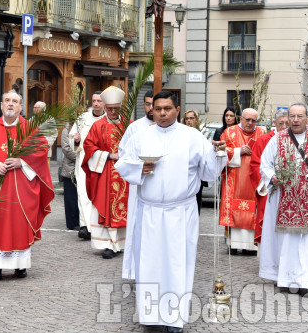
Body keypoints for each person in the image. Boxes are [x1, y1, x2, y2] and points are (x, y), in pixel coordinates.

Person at [115, 91, 226, 333]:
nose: (163, 113)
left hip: (181, 212)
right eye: (158, 109)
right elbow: (122, 163)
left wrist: (219, 153)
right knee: (149, 264)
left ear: (177, 110)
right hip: (149, 211)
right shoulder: (140, 136)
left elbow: (209, 172)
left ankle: (174, 318)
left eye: (168, 108)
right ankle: (150, 315)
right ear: (151, 111)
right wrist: (139, 167)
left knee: (179, 264)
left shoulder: (193, 137)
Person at [0, 90, 54, 283]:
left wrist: (21, 161)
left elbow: (41, 151)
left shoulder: (31, 129)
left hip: (22, 188)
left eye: (14, 101)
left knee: (19, 222)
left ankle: (19, 264)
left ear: (20, 106)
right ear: (1, 105)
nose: (10, 104)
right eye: (7, 100)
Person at [259, 103, 308, 298]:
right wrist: (272, 177)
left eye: (300, 116)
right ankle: (284, 279)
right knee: (285, 241)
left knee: (307, 241)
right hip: (284, 197)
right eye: (292, 116)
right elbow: (265, 164)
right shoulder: (277, 139)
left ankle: (305, 283)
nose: (295, 120)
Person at [81, 86, 131, 259]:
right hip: (105, 173)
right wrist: (109, 155)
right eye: (109, 109)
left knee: (124, 208)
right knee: (106, 208)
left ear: (120, 108)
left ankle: (121, 243)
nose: (111, 112)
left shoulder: (129, 125)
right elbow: (88, 147)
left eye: (115, 109)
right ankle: (109, 244)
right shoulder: (98, 125)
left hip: (125, 175)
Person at [219, 107, 266, 255]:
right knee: (234, 209)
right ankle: (234, 244)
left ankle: (251, 246)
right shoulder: (229, 132)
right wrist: (238, 151)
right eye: (247, 119)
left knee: (253, 210)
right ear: (240, 119)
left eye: (254, 120)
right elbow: (220, 152)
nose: (250, 123)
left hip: (254, 181)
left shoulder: (262, 133)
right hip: (235, 179)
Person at [117, 90, 154, 279]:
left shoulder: (174, 129)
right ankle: (134, 270)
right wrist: (139, 167)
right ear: (144, 105)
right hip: (139, 185)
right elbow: (123, 154)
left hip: (163, 188)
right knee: (137, 225)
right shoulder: (136, 128)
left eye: (155, 104)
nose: (152, 108)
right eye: (148, 104)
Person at [68, 91, 106, 240]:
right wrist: (76, 140)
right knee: (83, 192)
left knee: (98, 192)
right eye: (94, 100)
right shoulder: (82, 118)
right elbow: (72, 139)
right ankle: (85, 226)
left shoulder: (108, 119)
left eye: (99, 101)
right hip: (84, 160)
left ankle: (98, 225)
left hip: (100, 160)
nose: (96, 103)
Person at [249, 108, 289, 246]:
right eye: (281, 123)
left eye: (287, 123)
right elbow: (255, 165)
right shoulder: (264, 140)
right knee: (268, 223)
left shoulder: (294, 139)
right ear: (274, 123)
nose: (284, 127)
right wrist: (269, 179)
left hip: (289, 190)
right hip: (269, 189)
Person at [183, 109, 209, 214]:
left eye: (191, 118)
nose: (189, 120)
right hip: (184, 168)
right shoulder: (181, 131)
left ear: (196, 119)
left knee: (197, 196)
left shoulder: (202, 132)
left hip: (198, 169)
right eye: (187, 118)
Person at [60, 122, 79, 231]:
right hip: (70, 168)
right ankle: (72, 222)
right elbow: (66, 149)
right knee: (71, 197)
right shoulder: (66, 130)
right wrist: (80, 157)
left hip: (83, 168)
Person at [33, 101, 58, 165]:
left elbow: (54, 133)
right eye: (34, 107)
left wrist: (46, 143)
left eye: (36, 107)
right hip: (33, 152)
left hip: (45, 150)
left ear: (42, 109)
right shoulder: (31, 119)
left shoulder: (49, 119)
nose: (34, 109)